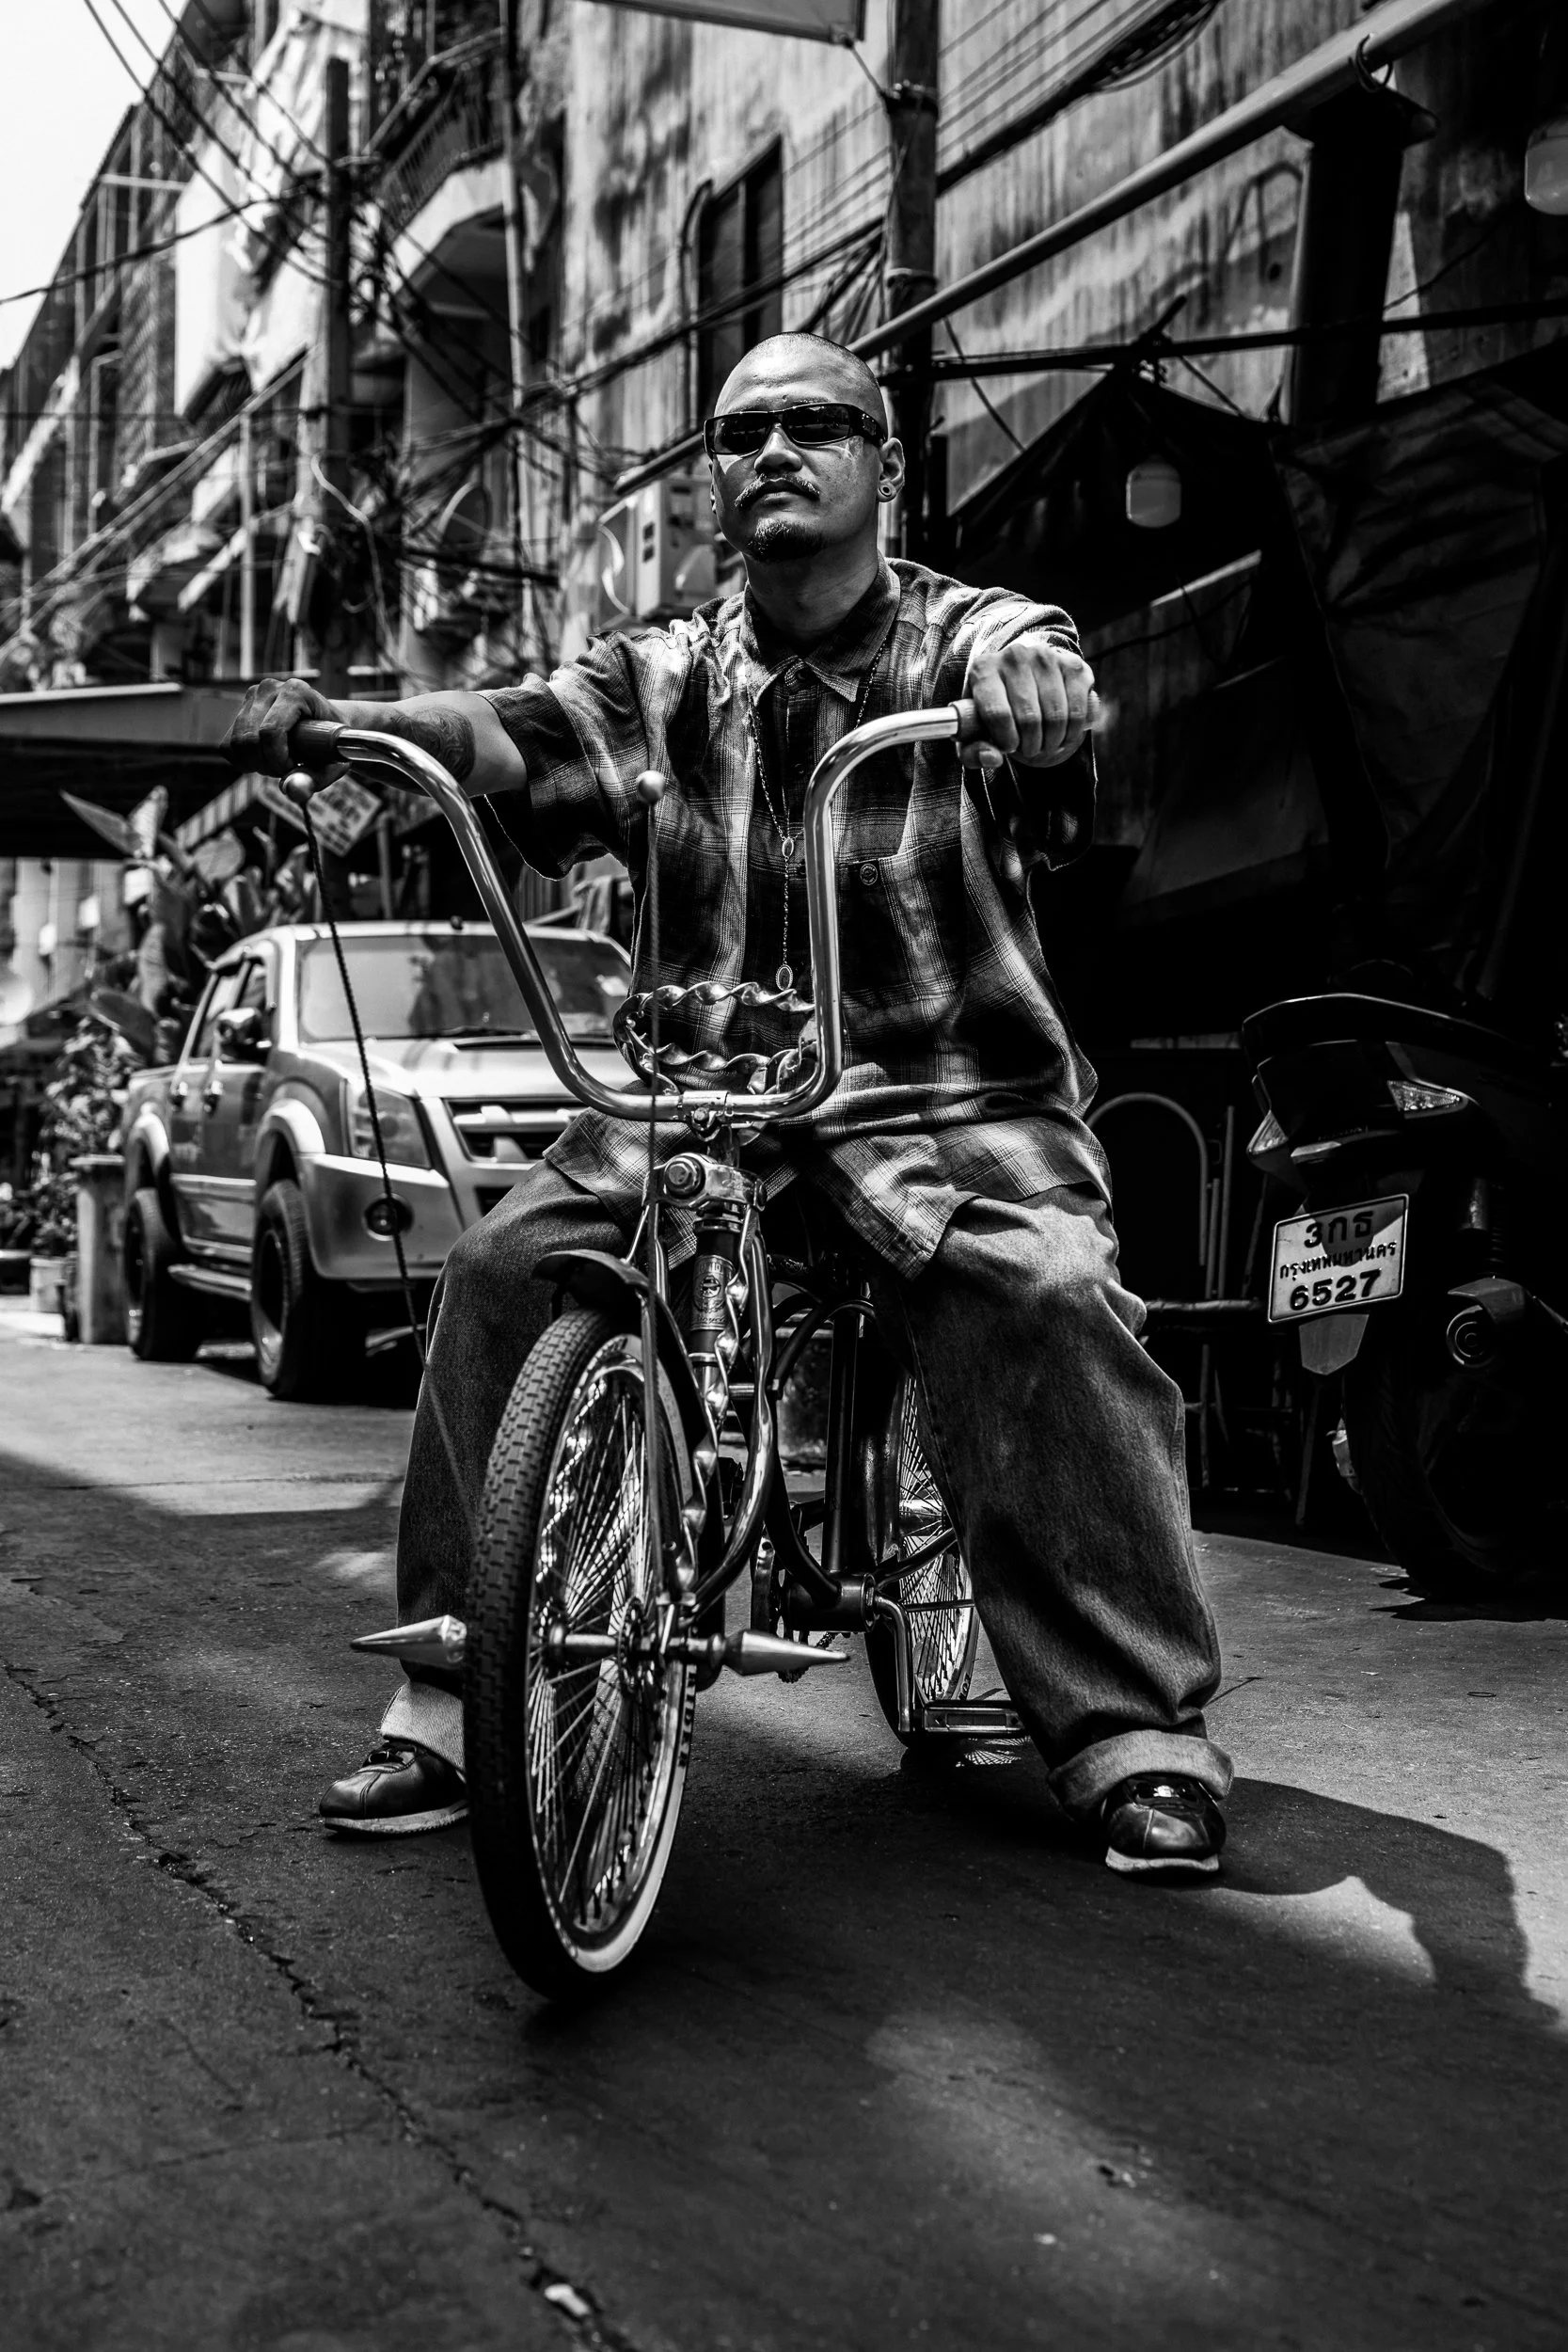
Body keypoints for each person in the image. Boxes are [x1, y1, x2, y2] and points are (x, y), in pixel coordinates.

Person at [225, 331, 1231, 1875]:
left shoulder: (967, 639)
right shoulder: (663, 671)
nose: (771, 449)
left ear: (883, 468)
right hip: (700, 1103)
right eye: (740, 429)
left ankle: (1127, 1728)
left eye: (813, 424)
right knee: (500, 1272)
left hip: (943, 1096)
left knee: (1042, 1290)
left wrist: (1043, 694)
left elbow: (1043, 675)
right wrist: (367, 723)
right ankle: (448, 1693)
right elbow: (519, 732)